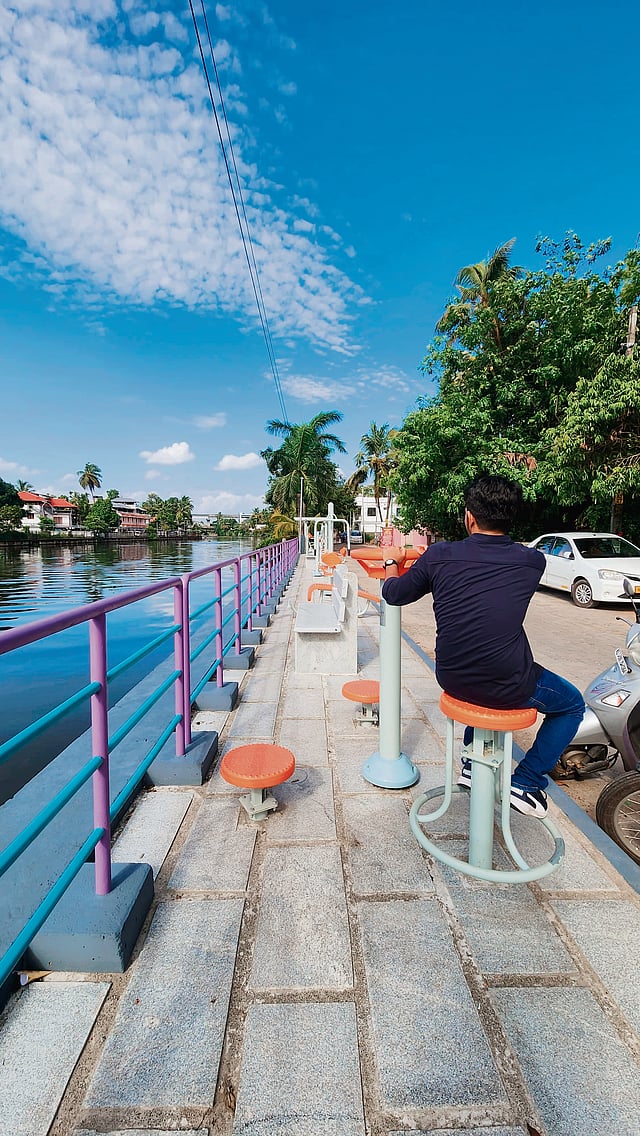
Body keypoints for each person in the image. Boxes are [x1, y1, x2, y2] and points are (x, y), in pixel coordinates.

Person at [381, 474, 585, 817]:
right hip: (509, 682)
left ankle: (475, 766)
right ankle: (526, 782)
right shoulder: (532, 562)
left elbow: (394, 594)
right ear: (511, 517)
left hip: (452, 678)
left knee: (483, 666)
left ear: (469, 516)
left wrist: (392, 562)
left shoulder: (439, 555)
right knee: (571, 704)